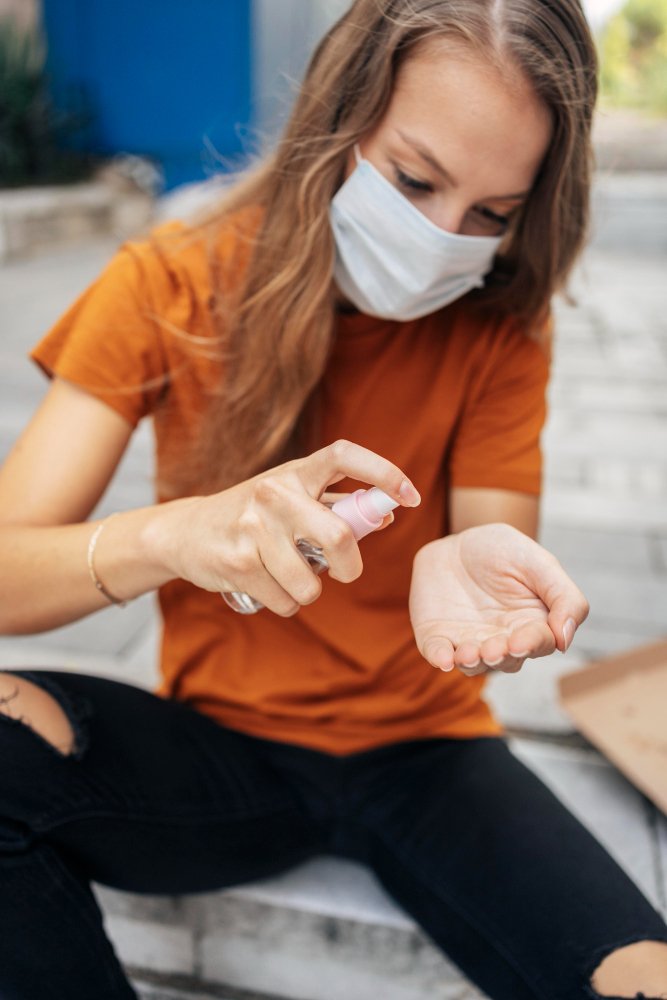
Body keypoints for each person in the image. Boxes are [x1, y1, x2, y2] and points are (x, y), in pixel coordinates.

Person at [0, 0, 666, 997]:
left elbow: (489, 539)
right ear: (335, 116)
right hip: (222, 753)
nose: (445, 239)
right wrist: (169, 536)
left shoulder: (499, 325)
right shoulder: (170, 285)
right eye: (413, 180)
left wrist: (468, 562)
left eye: (491, 214)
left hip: (429, 755)